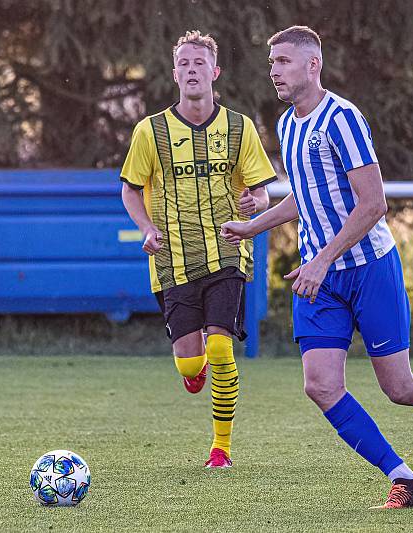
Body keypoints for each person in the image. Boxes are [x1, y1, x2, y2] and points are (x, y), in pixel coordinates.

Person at [220, 26, 413, 507]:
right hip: (320, 277)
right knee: (319, 385)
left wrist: (320, 260)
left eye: (283, 61)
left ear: (312, 65)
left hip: (369, 269)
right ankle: (405, 478)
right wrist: (253, 226)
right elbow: (308, 195)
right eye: (272, 62)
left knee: (400, 387)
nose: (273, 70)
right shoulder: (286, 125)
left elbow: (373, 204)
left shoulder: (342, 119)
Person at [120, 30, 277, 468]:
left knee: (223, 348)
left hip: (228, 250)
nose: (192, 70)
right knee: (191, 366)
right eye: (184, 64)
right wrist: (146, 227)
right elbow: (130, 191)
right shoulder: (150, 131)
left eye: (199, 63)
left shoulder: (239, 127)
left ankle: (221, 449)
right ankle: (196, 368)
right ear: (175, 74)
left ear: (214, 71)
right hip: (172, 260)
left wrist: (255, 204)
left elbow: (262, 193)